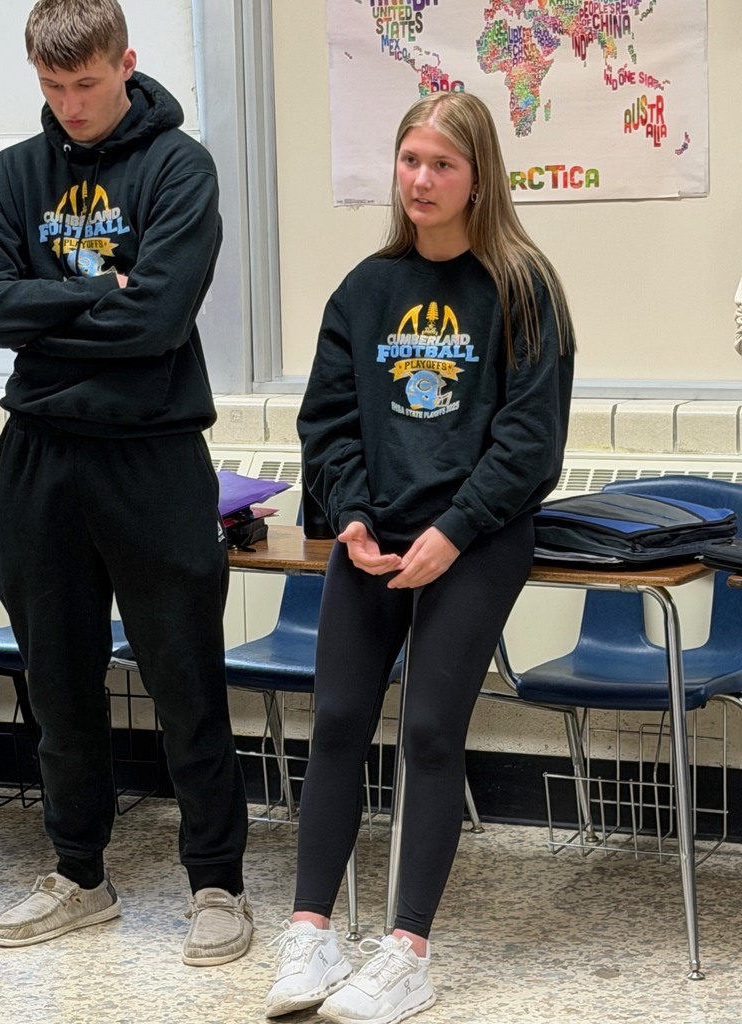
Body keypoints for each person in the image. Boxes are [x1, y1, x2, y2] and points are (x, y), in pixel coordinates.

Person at [265, 91, 575, 1023]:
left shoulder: (522, 287)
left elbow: (529, 444)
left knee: (433, 730)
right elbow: (328, 422)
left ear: (479, 174)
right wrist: (352, 519)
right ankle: (311, 934)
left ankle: (406, 952)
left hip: (477, 537)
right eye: (409, 161)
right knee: (336, 721)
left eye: (442, 164)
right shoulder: (365, 291)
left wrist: (453, 532)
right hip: (374, 538)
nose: (422, 181)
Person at [0, 0, 252, 963]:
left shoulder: (181, 166)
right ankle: (78, 874)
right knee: (56, 683)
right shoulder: (12, 173)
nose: (70, 106)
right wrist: (100, 291)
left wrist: (44, 316)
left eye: (85, 84)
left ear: (125, 63)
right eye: (51, 89)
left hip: (155, 453)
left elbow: (159, 321)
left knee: (185, 680)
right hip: (38, 454)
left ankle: (216, 884)